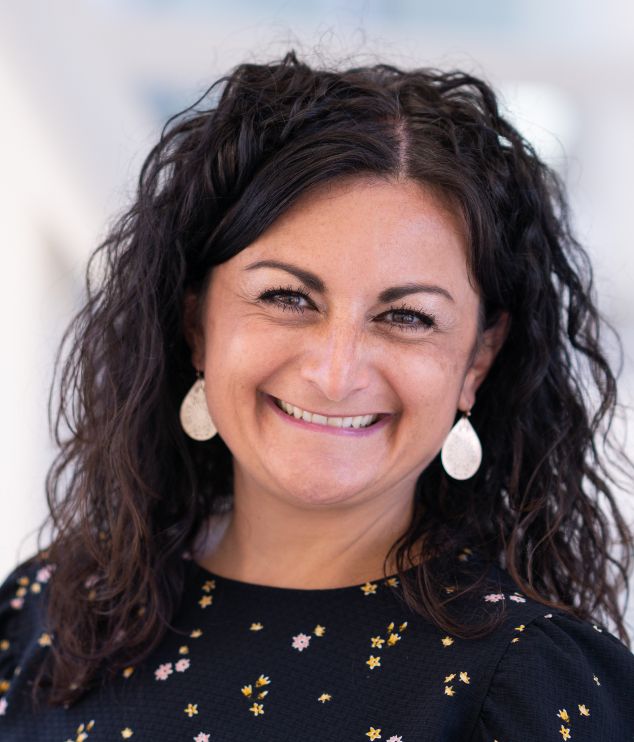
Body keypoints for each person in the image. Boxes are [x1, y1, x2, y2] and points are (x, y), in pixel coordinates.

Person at [1, 50, 633, 741]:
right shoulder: (50, 613)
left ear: (478, 358)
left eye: (406, 317)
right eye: (288, 298)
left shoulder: (530, 683)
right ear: (196, 323)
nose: (336, 374)